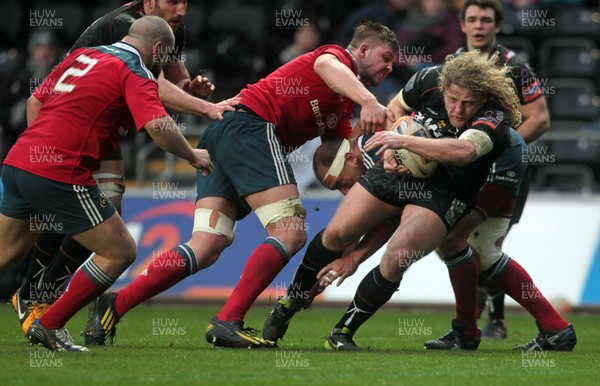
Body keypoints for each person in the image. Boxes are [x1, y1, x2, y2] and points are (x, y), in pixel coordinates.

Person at [82, 21, 399, 349]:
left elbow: (328, 158)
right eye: (385, 57)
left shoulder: (343, 106)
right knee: (290, 231)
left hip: (224, 132)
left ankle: (114, 304)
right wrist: (370, 101)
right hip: (250, 127)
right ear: (362, 50)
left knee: (206, 245)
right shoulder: (338, 59)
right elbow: (324, 64)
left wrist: (353, 175)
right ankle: (228, 320)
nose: (389, 67)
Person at [10, 0, 239, 337]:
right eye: (173, 2)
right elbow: (154, 86)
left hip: (97, 122)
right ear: (148, 4)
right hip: (73, 121)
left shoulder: (170, 28)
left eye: (185, 2)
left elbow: (172, 80)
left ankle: (43, 295)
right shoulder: (126, 25)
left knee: (104, 210)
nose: (182, 9)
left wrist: (190, 90)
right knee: (102, 227)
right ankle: (38, 296)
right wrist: (205, 108)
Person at [264, 49, 518, 351]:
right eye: (453, 99)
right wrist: (393, 152)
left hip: (448, 189)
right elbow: (395, 109)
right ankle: (289, 303)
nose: (459, 109)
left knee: (398, 256)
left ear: (484, 99)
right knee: (337, 233)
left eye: (469, 103)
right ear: (444, 86)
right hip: (399, 171)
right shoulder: (428, 79)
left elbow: (463, 152)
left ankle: (342, 332)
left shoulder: (494, 117)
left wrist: (401, 141)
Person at [457, 0, 550, 339]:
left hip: (505, 172)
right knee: (473, 246)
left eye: (486, 19)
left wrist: (499, 148)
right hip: (466, 170)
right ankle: (486, 318)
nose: (479, 25)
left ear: (497, 26)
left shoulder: (514, 65)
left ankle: (488, 320)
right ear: (462, 25)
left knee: (486, 246)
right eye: (472, 19)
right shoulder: (453, 64)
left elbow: (540, 117)